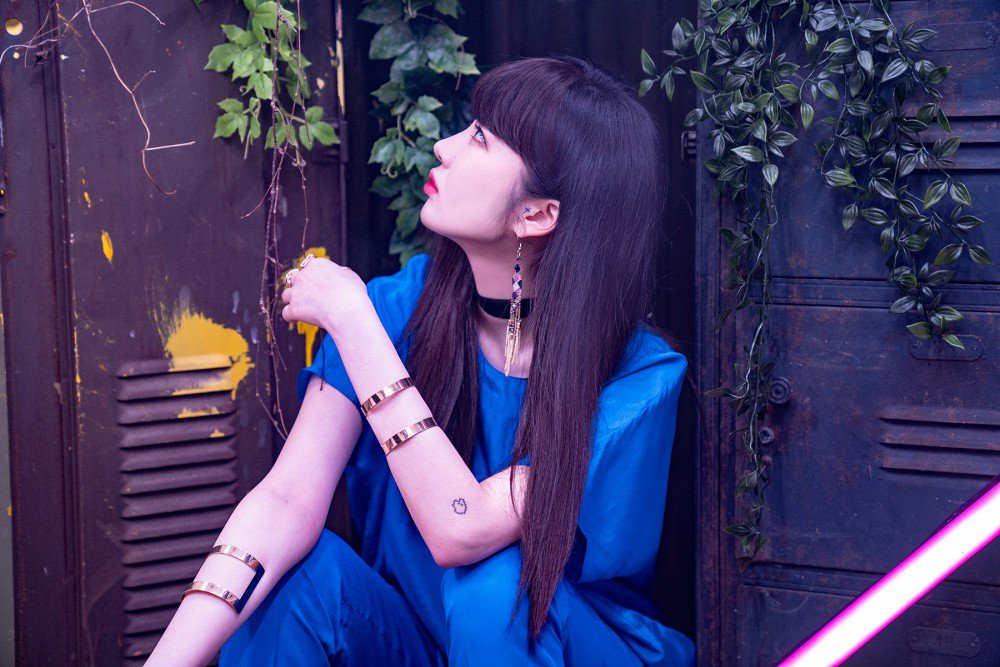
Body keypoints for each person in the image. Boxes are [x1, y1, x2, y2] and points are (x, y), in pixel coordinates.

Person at [148, 54, 695, 666]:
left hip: (565, 649)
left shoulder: (638, 379)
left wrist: (354, 324)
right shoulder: (395, 308)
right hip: (415, 640)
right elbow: (285, 502)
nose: (444, 147)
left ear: (536, 214)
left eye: (481, 139)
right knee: (288, 576)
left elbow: (462, 529)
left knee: (495, 587)